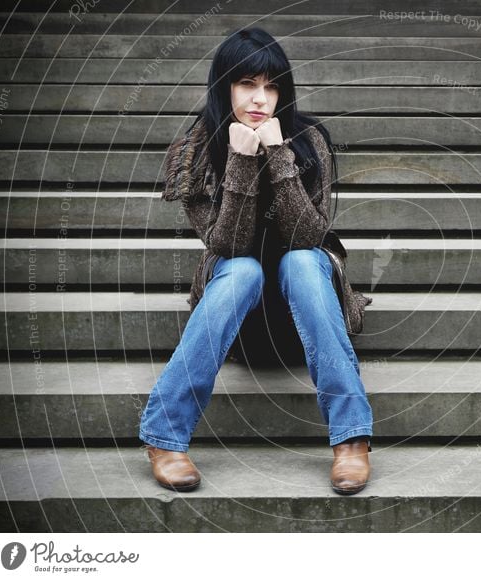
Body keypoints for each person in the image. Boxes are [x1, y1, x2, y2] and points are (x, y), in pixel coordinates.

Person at [138, 27, 373, 495]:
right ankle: (164, 438)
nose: (260, 99)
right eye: (247, 84)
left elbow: (310, 234)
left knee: (302, 262)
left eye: (271, 85)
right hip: (237, 319)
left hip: (306, 312)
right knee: (243, 269)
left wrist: (278, 156)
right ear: (224, 86)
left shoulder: (306, 140)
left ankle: (352, 440)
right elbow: (228, 245)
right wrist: (242, 162)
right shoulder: (194, 154)